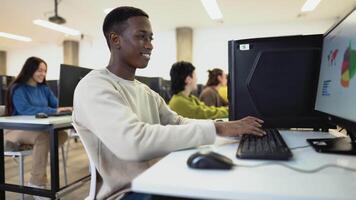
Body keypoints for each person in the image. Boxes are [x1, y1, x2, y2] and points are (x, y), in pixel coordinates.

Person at [73, 6, 265, 200]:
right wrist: (218, 130)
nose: (149, 45)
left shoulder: (145, 91)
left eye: (151, 38)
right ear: (116, 40)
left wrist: (226, 127)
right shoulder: (94, 86)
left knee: (232, 183)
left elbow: (178, 122)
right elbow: (133, 142)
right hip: (128, 192)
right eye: (142, 36)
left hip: (159, 177)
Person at [4, 56, 71, 200]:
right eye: (40, 70)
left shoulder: (44, 88)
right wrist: (54, 111)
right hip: (14, 130)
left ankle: (32, 149)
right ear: (30, 70)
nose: (43, 74)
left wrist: (65, 107)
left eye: (45, 71)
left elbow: (56, 104)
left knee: (62, 135)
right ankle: (36, 183)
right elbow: (24, 109)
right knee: (45, 138)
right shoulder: (18, 88)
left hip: (35, 131)